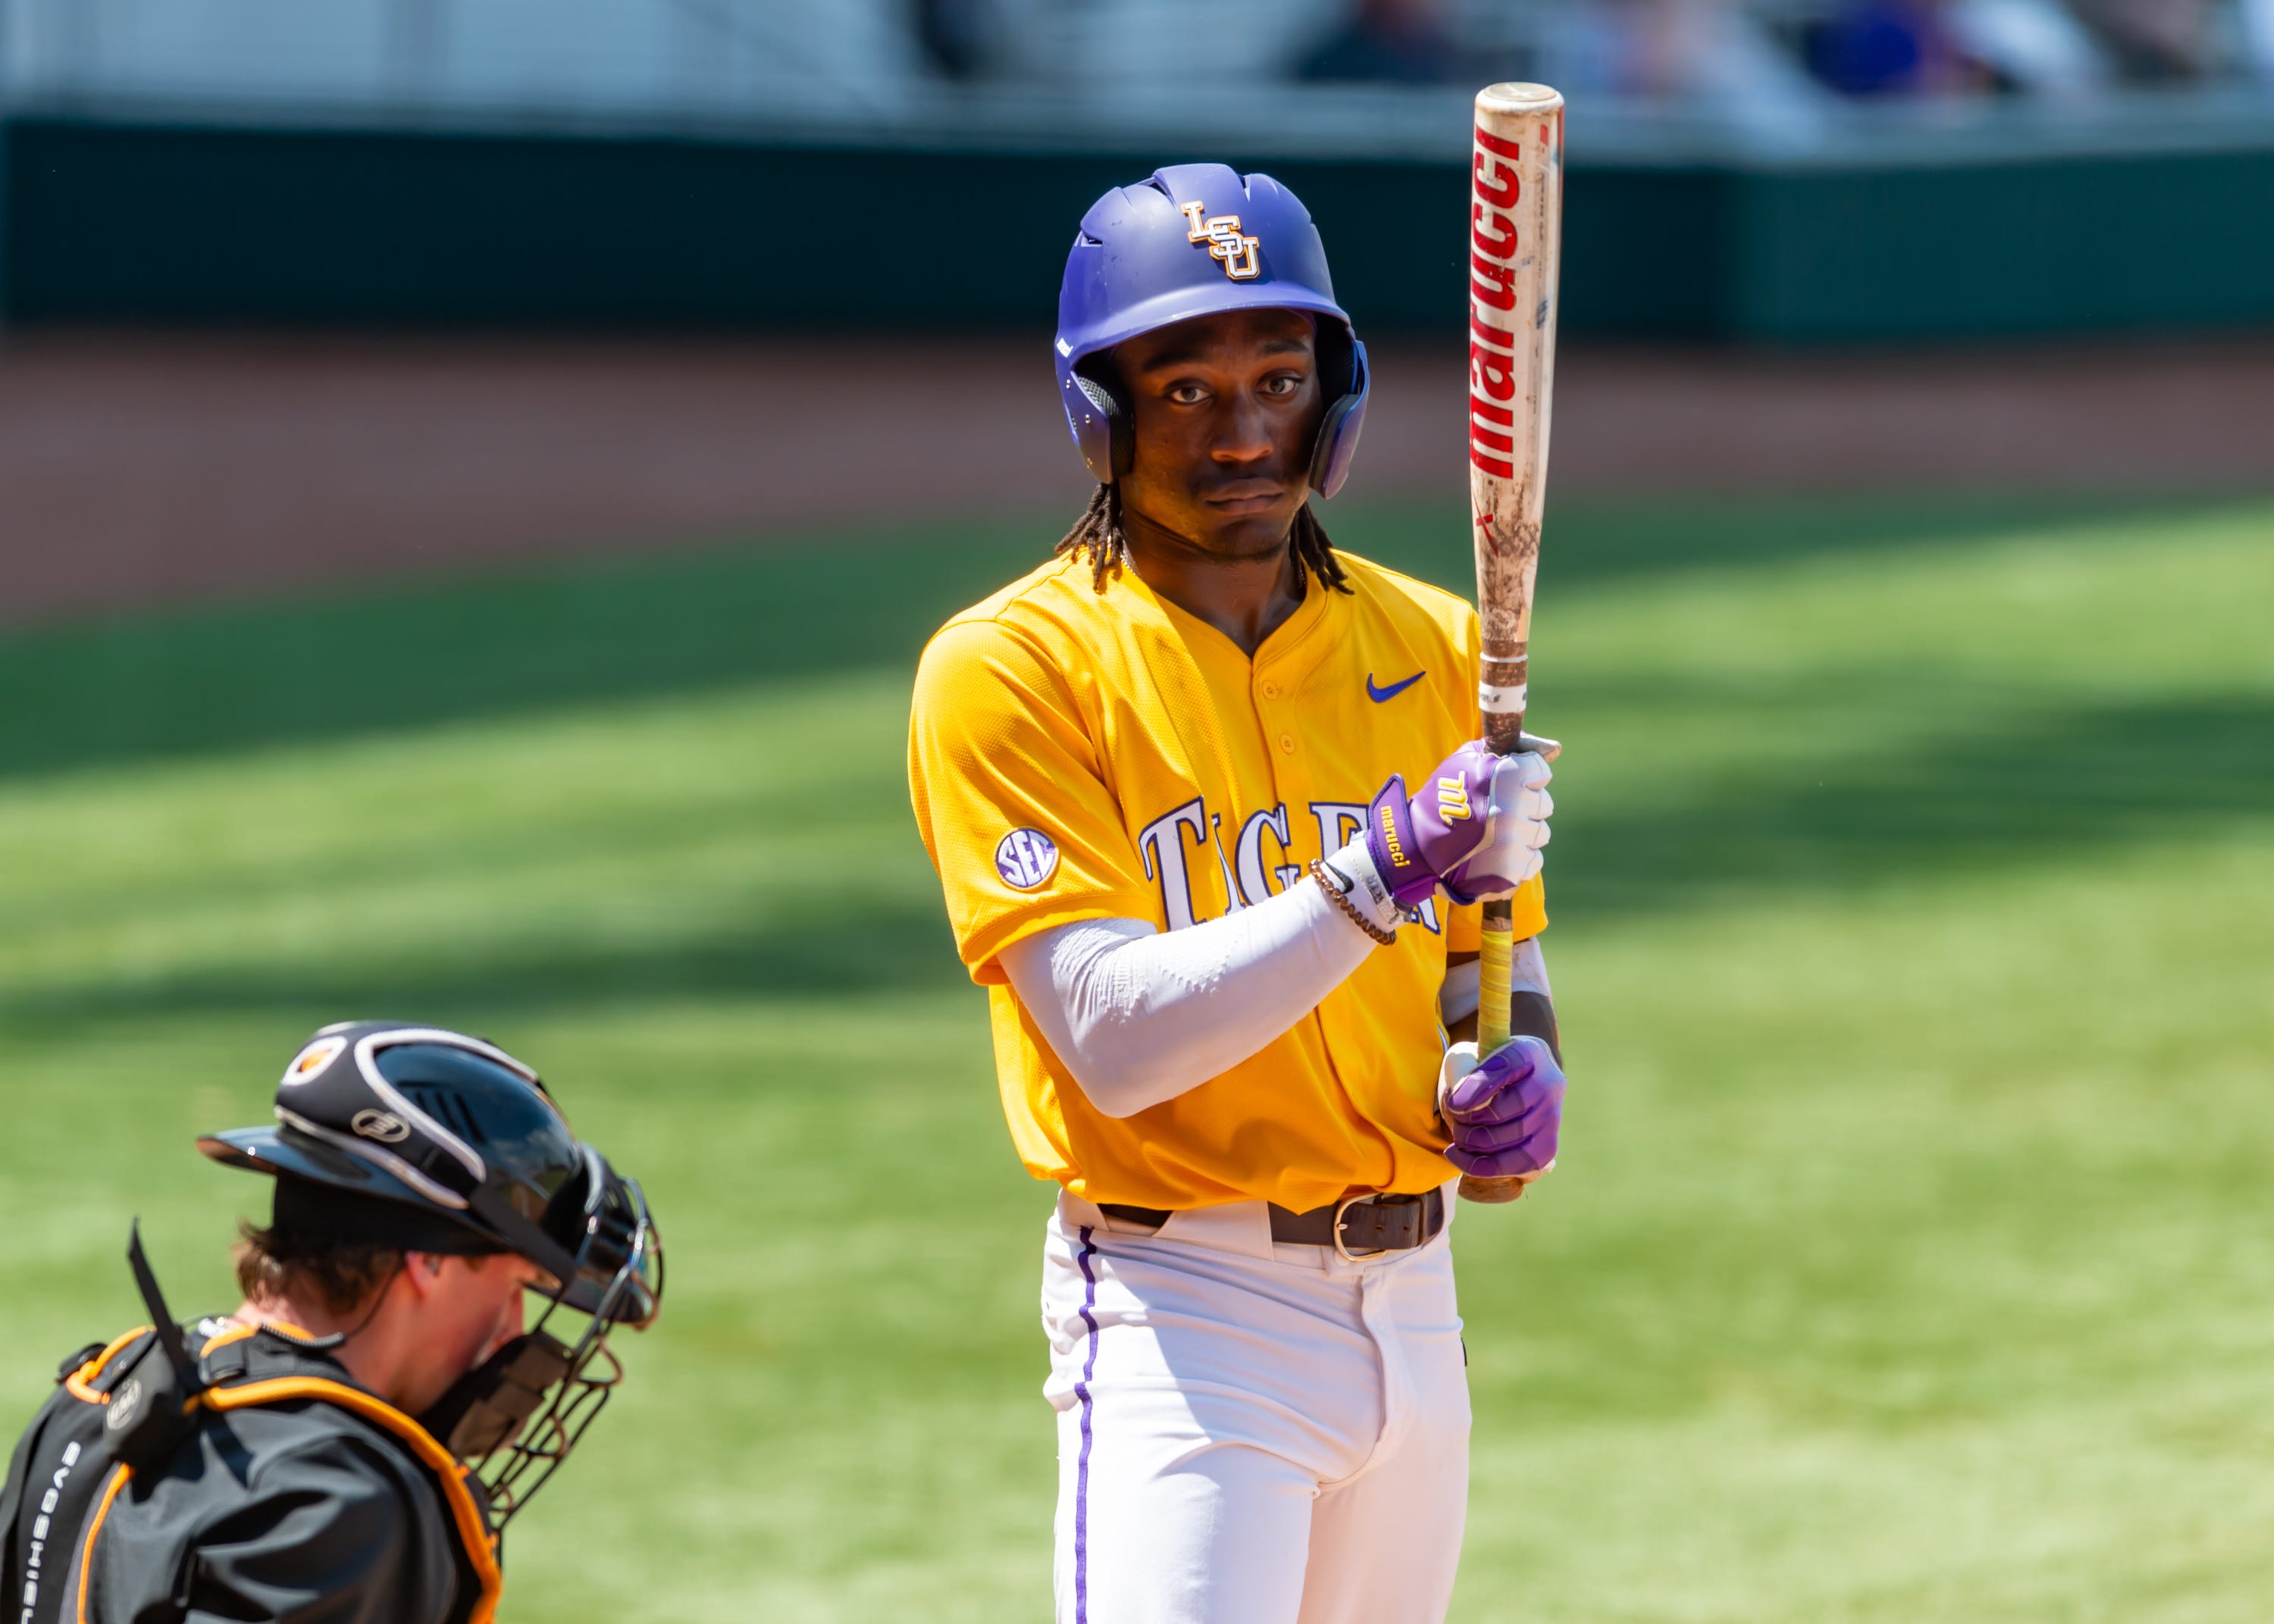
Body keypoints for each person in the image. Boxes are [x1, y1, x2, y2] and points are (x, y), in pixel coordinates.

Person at [907, 164, 1565, 1624]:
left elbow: (1487, 966)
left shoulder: (1438, 646)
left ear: (1334, 398)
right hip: (1183, 1320)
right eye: (1186, 387)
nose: (1243, 429)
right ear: (1102, 414)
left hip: (1420, 1308)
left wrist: (1518, 1078)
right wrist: (1378, 868)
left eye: (1278, 376)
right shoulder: (1014, 669)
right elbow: (1119, 1039)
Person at [0, 1021, 662, 1624]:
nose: (515, 1329)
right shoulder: (338, 1498)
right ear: (429, 1261)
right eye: (519, 1284)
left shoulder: (103, 1390)